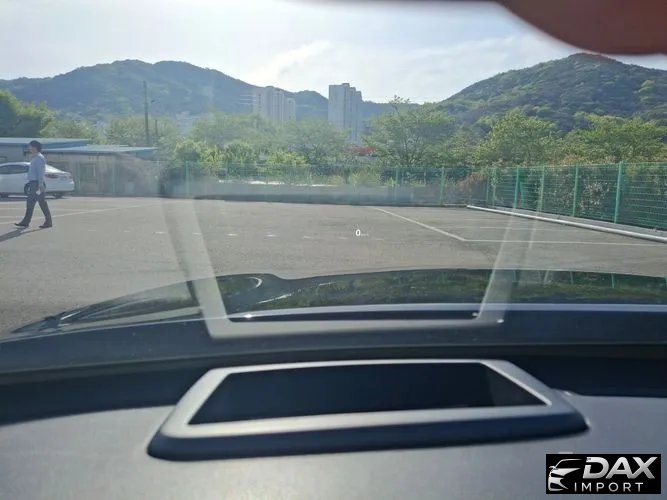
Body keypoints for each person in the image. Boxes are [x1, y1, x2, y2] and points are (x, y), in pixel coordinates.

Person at [15, 140, 53, 229]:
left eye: (30, 146)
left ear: (34, 147)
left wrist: (40, 184)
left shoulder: (39, 158)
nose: (29, 148)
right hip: (34, 183)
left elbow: (40, 172)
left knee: (35, 202)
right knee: (37, 203)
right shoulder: (35, 158)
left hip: (36, 184)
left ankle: (46, 221)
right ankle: (28, 221)